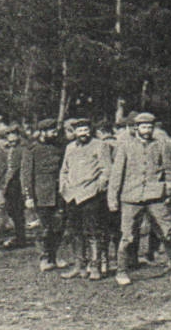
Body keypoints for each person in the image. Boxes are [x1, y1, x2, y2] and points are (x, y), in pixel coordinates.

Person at [107, 111, 171, 286]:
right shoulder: (125, 146)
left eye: (150, 127)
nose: (146, 130)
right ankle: (121, 271)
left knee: (166, 232)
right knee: (127, 236)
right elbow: (116, 174)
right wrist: (112, 198)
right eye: (143, 127)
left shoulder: (161, 145)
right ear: (136, 128)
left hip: (155, 196)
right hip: (130, 197)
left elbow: (170, 171)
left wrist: (168, 192)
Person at [59, 117, 110, 280]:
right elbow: (64, 170)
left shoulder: (100, 145)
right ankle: (79, 266)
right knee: (75, 232)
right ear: (75, 132)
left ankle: (95, 267)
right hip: (72, 196)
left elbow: (106, 170)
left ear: (91, 130)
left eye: (86, 130)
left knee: (93, 232)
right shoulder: (70, 148)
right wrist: (64, 186)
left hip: (90, 195)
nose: (83, 133)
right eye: (80, 130)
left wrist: (98, 187)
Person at [22, 119, 64, 271]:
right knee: (42, 229)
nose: (54, 133)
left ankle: (54, 256)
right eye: (51, 131)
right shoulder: (32, 149)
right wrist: (28, 196)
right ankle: (44, 258)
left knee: (58, 227)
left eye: (55, 130)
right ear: (42, 132)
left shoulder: (59, 147)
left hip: (58, 194)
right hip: (41, 195)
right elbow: (26, 175)